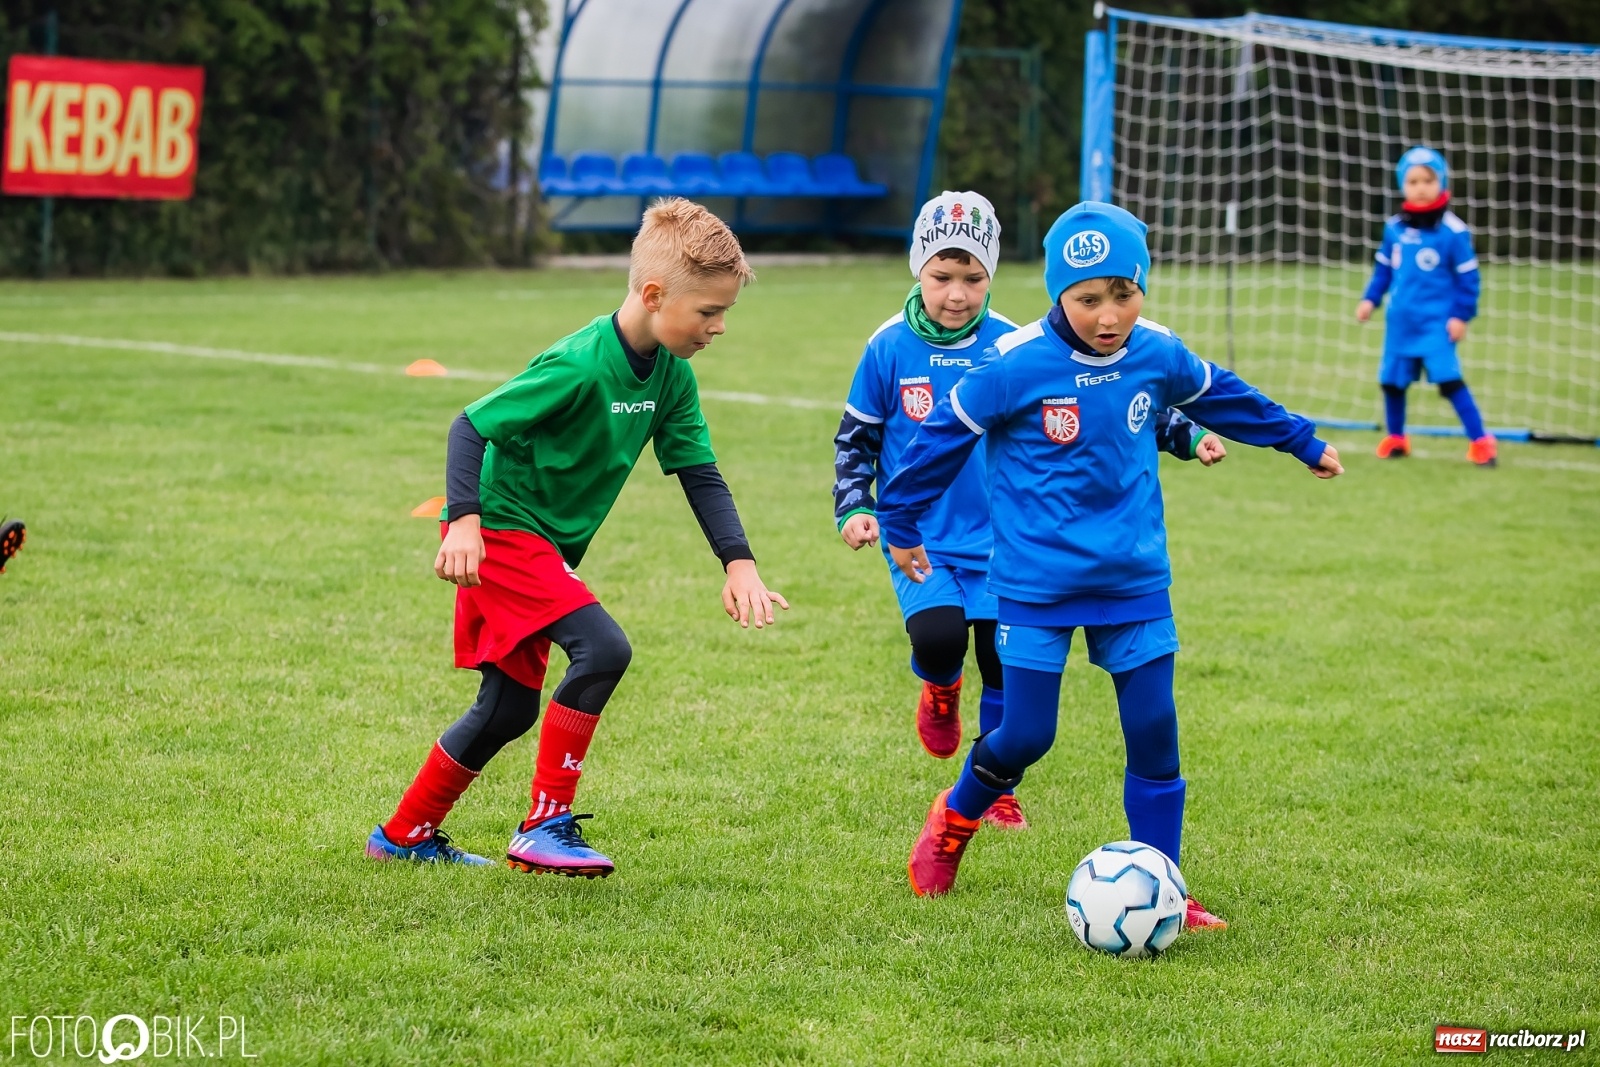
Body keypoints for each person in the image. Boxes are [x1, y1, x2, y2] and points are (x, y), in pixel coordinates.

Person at [878, 202, 1343, 929]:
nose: (1108, 315)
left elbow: (1225, 396)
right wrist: (901, 519)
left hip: (1132, 578)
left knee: (1155, 729)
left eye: (1123, 293)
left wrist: (1300, 440)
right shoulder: (1015, 362)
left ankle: (1167, 887)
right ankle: (953, 819)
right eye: (1088, 297)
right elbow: (939, 437)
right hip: (1036, 582)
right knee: (1027, 735)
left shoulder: (1157, 351)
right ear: (1058, 293)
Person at [367, 198, 788, 873]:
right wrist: (465, 521)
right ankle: (545, 823)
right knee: (604, 648)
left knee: (507, 709)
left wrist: (738, 563)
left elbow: (699, 472)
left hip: (541, 545)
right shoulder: (580, 364)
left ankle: (402, 835)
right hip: (502, 529)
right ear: (654, 295)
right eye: (709, 312)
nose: (719, 327)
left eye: (725, 312)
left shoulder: (672, 377)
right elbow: (470, 425)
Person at [834, 192, 1224, 833]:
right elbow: (858, 437)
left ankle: (999, 793)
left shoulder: (1011, 345)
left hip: (1003, 542)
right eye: (942, 277)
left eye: (973, 278)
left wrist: (1185, 433)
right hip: (923, 536)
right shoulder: (887, 347)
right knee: (939, 640)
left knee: (998, 662)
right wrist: (855, 505)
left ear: (991, 276)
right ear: (917, 269)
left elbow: (1111, 402)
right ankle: (940, 686)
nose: (957, 294)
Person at [1356, 146, 1494, 466]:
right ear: (1402, 185)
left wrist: (1460, 316)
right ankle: (1396, 439)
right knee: (1392, 383)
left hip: (1436, 324)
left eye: (1428, 180)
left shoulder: (1453, 232)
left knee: (1449, 381)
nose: (1420, 188)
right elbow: (1383, 271)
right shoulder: (1395, 228)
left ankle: (1481, 442)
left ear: (1441, 183)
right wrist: (1369, 300)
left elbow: (1469, 280)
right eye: (1413, 181)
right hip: (1400, 323)